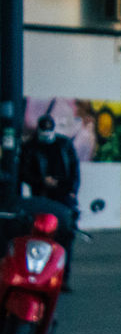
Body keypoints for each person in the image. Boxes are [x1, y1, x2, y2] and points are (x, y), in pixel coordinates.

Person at [21, 115, 80, 288]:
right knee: (40, 236)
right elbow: (24, 172)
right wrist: (41, 181)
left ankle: (63, 276)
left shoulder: (64, 145)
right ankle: (43, 274)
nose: (46, 134)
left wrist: (71, 191)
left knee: (65, 235)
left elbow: (74, 170)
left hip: (61, 195)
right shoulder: (31, 147)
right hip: (42, 195)